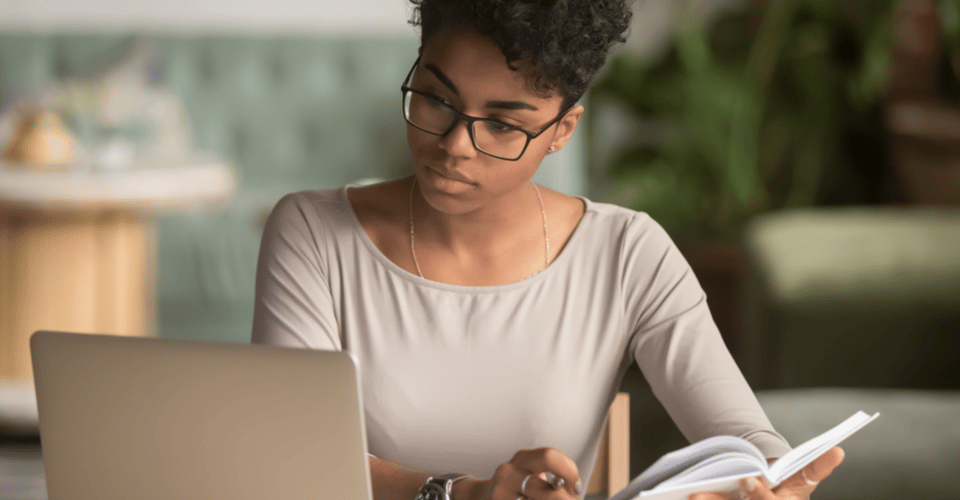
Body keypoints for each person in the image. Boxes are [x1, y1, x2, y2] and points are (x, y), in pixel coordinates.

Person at [251, 1, 844, 499]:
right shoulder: (313, 233)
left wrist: (770, 478)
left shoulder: (627, 253)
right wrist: (462, 493)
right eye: (436, 100)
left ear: (562, 130)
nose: (457, 145)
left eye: (504, 125)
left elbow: (742, 433)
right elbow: (288, 460)